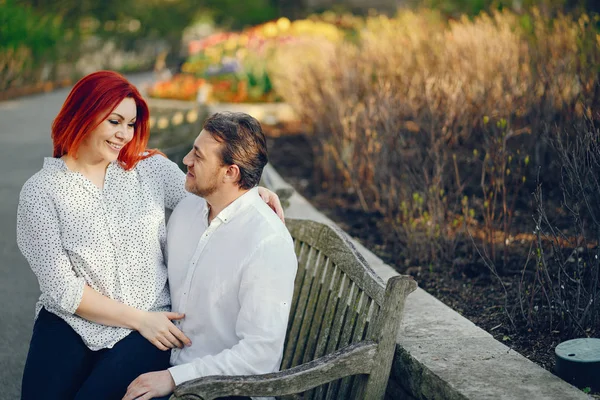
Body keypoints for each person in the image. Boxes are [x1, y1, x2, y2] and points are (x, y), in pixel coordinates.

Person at [16, 71, 283, 400]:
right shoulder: (41, 192)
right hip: (72, 321)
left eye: (130, 124)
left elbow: (206, 194)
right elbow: (63, 289)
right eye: (115, 121)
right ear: (83, 113)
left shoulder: (147, 169)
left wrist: (252, 193)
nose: (124, 135)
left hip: (146, 332)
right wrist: (141, 320)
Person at [123, 112, 298, 400]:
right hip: (167, 356)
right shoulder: (188, 208)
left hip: (227, 388)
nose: (186, 161)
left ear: (230, 172)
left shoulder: (267, 242)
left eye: (198, 156)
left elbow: (260, 356)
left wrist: (173, 378)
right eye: (193, 149)